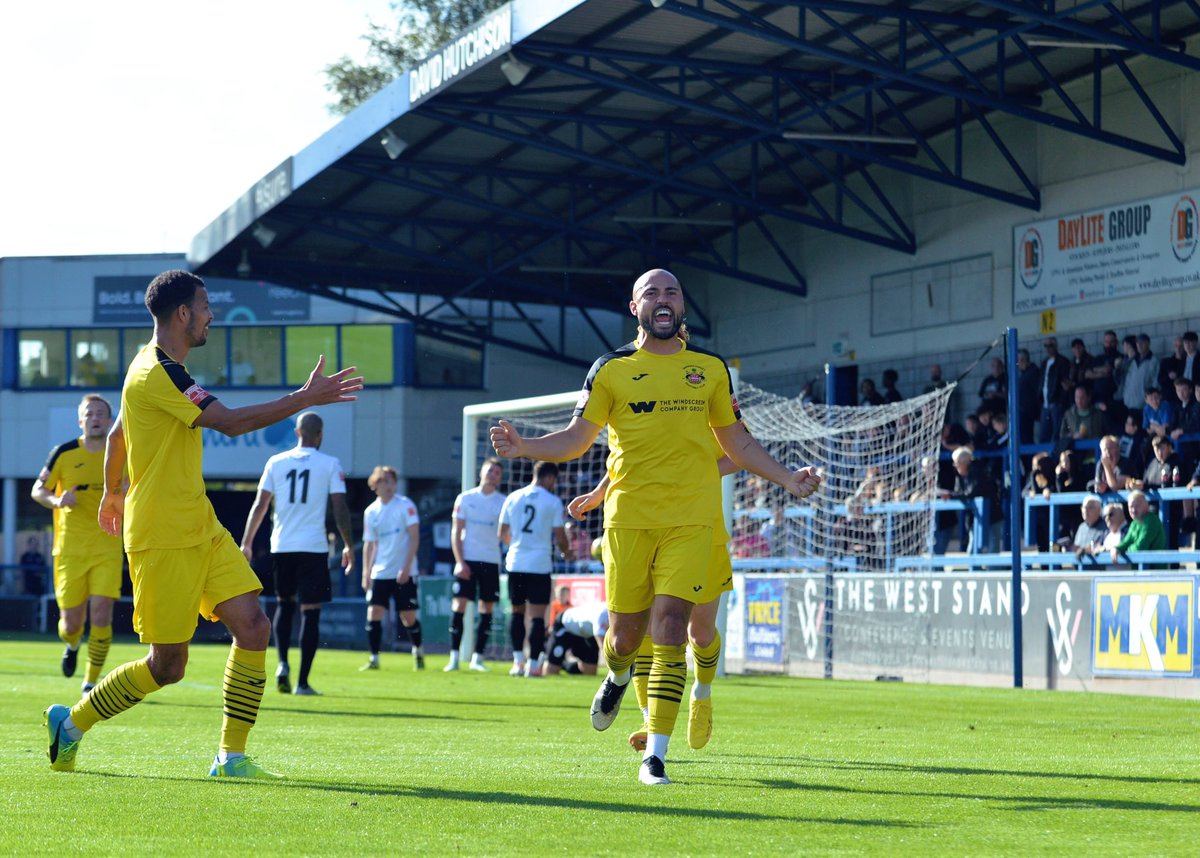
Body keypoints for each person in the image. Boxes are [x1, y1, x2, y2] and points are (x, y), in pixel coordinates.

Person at [488, 268, 820, 786]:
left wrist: (786, 478)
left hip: (692, 519)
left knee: (672, 628)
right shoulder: (610, 369)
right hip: (628, 522)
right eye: (652, 293)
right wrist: (526, 446)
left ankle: (655, 755)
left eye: (672, 292)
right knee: (624, 636)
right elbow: (578, 439)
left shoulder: (708, 369)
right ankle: (617, 674)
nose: (663, 300)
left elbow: (738, 444)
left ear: (682, 305)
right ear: (634, 306)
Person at [43, 269, 362, 779]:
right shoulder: (156, 372)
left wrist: (112, 492)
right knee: (168, 666)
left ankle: (230, 757)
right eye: (206, 306)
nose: (212, 315)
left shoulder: (161, 369)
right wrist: (303, 398)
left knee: (255, 627)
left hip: (200, 523)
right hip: (161, 535)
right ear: (184, 314)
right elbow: (231, 423)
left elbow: (120, 436)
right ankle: (72, 723)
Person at [240, 411, 354, 696]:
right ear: (320, 434)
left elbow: (260, 505)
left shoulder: (275, 462)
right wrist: (348, 545)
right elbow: (339, 507)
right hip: (313, 547)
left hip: (282, 546)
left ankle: (281, 664)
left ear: (297, 433)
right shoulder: (330, 464)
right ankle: (302, 683)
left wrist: (247, 542)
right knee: (311, 613)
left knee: (284, 605)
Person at [31, 394, 124, 693]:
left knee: (100, 614)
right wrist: (58, 500)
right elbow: (38, 490)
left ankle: (90, 682)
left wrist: (127, 492)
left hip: (107, 546)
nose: (95, 418)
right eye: (89, 414)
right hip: (70, 550)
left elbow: (136, 489)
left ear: (110, 420)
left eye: (101, 413)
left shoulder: (123, 452)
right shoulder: (64, 452)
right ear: (80, 421)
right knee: (71, 624)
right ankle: (71, 646)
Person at [498, 461, 570, 677]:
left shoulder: (513, 497)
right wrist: (567, 552)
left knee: (517, 612)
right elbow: (559, 535)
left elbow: (502, 533)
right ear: (549, 478)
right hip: (539, 564)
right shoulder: (553, 502)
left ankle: (517, 662)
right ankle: (533, 666)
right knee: (538, 617)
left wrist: (519, 546)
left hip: (516, 562)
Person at [445, 458, 507, 672]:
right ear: (481, 472)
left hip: (491, 560)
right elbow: (456, 531)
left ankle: (477, 658)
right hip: (468, 560)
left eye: (497, 472)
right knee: (459, 605)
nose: (493, 474)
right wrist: (460, 561)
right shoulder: (465, 498)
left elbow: (506, 533)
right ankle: (453, 657)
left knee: (486, 608)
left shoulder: (503, 502)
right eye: (490, 470)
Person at [360, 465, 423, 671]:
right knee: (374, 612)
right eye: (383, 481)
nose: (388, 485)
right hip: (381, 571)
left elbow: (414, 537)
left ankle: (418, 651)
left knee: (408, 617)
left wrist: (406, 567)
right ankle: (374, 658)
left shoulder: (405, 505)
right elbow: (370, 543)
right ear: (375, 484)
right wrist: (366, 572)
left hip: (404, 572)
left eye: (391, 481)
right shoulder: (371, 512)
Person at [543, 601, 609, 676]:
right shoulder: (602, 614)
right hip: (566, 625)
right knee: (552, 670)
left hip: (586, 633)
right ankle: (552, 659)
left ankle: (565, 665)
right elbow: (603, 647)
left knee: (590, 671)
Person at [1110, 490, 1166, 561]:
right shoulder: (1134, 523)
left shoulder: (1151, 520)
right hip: (1138, 567)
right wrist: (1115, 548)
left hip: (1154, 569)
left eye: (1137, 506)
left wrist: (1124, 550)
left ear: (1146, 506)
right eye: (1131, 507)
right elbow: (1126, 542)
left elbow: (1140, 547)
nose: (1133, 510)